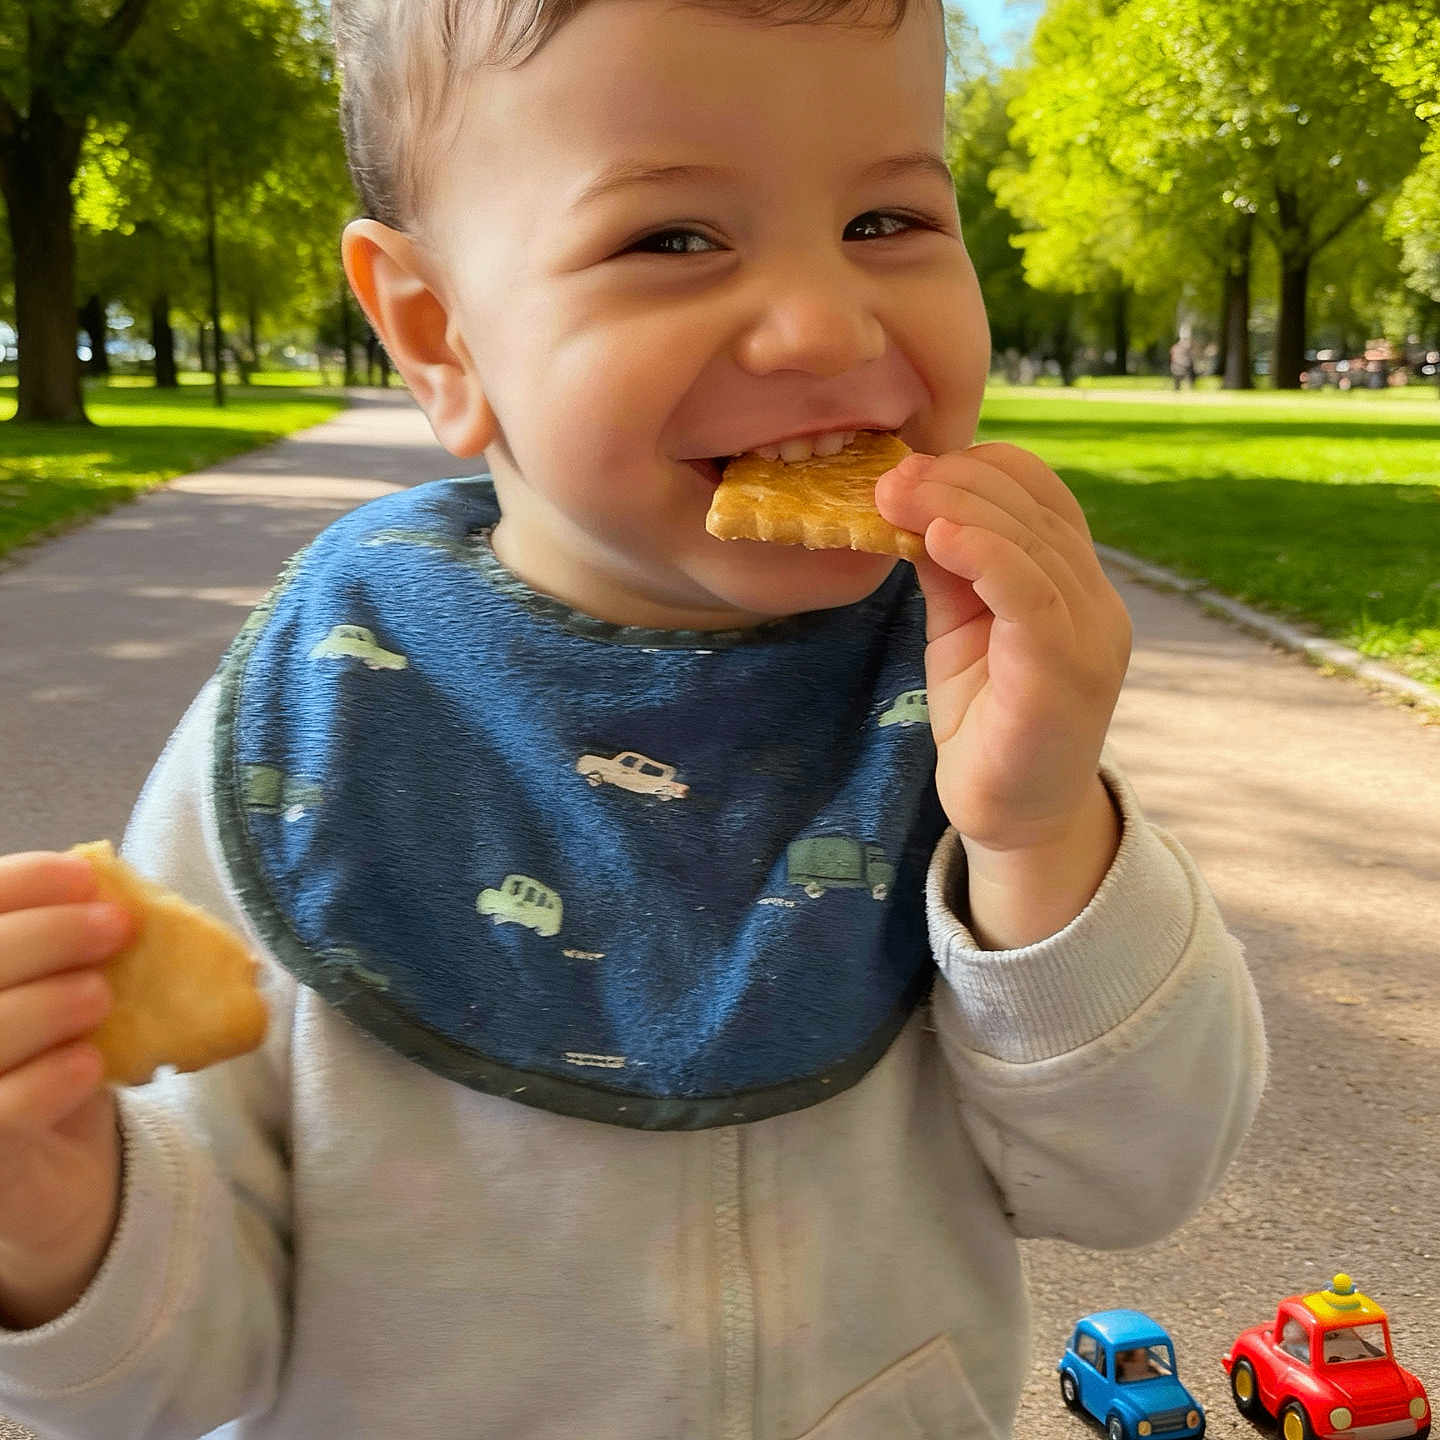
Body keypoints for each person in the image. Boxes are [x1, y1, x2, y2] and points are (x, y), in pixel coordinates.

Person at [0, 0, 1267, 1434]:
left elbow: (1133, 1180)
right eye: (672, 239)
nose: (823, 322)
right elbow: (169, 1383)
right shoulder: (329, 710)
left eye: (887, 220)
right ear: (441, 333)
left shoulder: (961, 682)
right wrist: (54, 1222)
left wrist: (1045, 833)